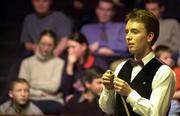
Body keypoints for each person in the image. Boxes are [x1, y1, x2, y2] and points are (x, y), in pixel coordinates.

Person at [99, 9, 176, 116]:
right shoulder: (121, 67)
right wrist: (108, 88)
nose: (128, 37)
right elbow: (108, 109)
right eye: (127, 32)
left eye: (135, 32)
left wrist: (130, 93)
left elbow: (156, 113)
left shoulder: (164, 72)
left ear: (150, 36)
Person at [19, 30, 64, 114]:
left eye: (49, 45)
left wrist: (31, 83)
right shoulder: (27, 62)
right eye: (43, 44)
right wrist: (39, 93)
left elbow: (53, 87)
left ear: (54, 46)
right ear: (38, 43)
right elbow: (22, 87)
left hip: (51, 100)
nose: (46, 48)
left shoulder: (59, 63)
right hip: (29, 98)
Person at [61, 32, 108, 98]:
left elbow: (107, 87)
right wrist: (70, 66)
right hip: (76, 101)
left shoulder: (98, 63)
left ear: (83, 46)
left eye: (73, 47)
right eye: (68, 48)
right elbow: (65, 91)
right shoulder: (69, 63)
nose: (70, 51)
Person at [154, 45, 180, 116]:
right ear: (157, 60)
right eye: (166, 58)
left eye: (171, 57)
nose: (170, 60)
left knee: (174, 105)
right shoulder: (155, 73)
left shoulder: (177, 71)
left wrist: (170, 95)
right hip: (157, 102)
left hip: (173, 102)